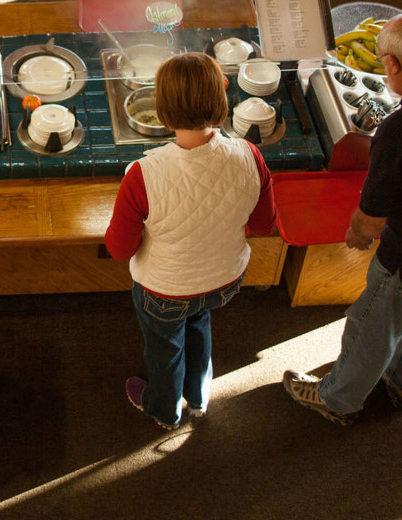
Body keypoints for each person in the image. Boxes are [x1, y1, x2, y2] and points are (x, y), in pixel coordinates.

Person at [105, 52, 277, 430]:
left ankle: (164, 410)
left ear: (163, 112)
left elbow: (119, 249)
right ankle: (198, 399)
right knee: (199, 323)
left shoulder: (142, 174)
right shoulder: (250, 155)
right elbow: (265, 225)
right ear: (222, 100)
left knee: (165, 348)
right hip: (224, 280)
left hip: (165, 290)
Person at [283, 15, 402, 426]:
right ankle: (399, 383)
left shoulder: (396, 132)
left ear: (393, 67)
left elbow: (371, 217)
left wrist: (356, 233)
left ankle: (337, 400)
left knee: (370, 324)